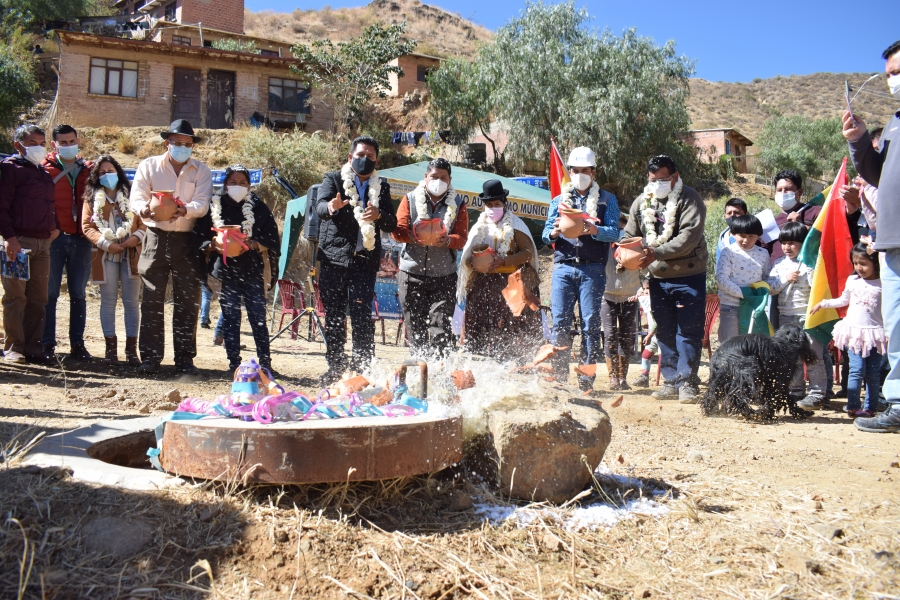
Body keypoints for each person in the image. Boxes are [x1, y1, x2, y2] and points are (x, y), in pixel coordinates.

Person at [842, 39, 900, 433]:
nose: (891, 80)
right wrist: (860, 139)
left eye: (897, 72)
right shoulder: (896, 122)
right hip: (893, 243)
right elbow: (879, 175)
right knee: (897, 326)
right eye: (889, 74)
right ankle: (897, 404)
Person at [130, 119, 213, 375]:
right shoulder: (149, 165)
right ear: (167, 143)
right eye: (178, 143)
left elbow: (203, 204)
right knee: (152, 300)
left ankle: (185, 359)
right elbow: (137, 196)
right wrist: (145, 209)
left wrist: (183, 210)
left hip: (187, 241)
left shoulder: (201, 170)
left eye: (187, 144)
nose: (183, 147)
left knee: (188, 302)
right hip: (155, 237)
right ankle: (151, 359)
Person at [622, 155, 708, 403]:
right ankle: (670, 381)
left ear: (675, 177)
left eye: (663, 179)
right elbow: (631, 235)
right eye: (652, 179)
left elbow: (689, 237)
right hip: (657, 278)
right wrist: (624, 255)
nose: (657, 183)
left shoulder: (690, 198)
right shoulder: (642, 202)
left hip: (688, 276)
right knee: (665, 331)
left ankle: (687, 382)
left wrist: (656, 252)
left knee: (688, 331)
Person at [315, 136, 398, 382]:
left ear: (377, 161)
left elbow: (392, 222)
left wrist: (380, 215)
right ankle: (336, 367)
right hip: (334, 258)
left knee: (362, 314)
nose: (365, 160)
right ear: (351, 157)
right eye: (360, 155)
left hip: (365, 261)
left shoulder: (381, 186)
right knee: (335, 315)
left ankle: (362, 369)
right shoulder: (333, 179)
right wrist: (332, 206)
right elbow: (320, 208)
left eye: (370, 156)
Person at [542, 147, 622, 391]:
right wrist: (554, 232)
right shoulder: (558, 200)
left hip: (592, 269)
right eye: (575, 171)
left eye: (585, 171)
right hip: (564, 267)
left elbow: (615, 232)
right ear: (571, 172)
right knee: (560, 323)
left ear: (593, 172)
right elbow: (546, 234)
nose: (580, 174)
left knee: (590, 324)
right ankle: (558, 376)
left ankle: (586, 379)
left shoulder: (607, 199)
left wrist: (593, 230)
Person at [392, 158, 468, 358]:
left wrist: (448, 240)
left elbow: (462, 238)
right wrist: (415, 236)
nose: (438, 181)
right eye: (434, 176)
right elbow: (397, 231)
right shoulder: (409, 199)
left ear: (450, 180)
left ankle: (439, 375)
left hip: (444, 277)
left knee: (441, 330)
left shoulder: (459, 205)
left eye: (443, 178)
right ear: (425, 177)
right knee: (415, 330)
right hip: (411, 275)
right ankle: (420, 374)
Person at [458, 180, 541, 360]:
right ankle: (478, 359)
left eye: (497, 204)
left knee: (509, 325)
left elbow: (528, 253)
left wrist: (504, 260)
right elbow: (467, 256)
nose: (493, 208)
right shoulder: (478, 227)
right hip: (483, 285)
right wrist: (474, 263)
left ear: (505, 204)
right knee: (480, 324)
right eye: (489, 205)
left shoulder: (517, 226)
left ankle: (511, 362)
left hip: (511, 285)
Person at [208, 165, 280, 372]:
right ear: (225, 184)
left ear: (249, 185)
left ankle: (265, 364)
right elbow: (203, 234)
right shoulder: (215, 204)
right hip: (225, 271)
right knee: (231, 318)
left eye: (242, 183)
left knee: (258, 317)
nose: (237, 187)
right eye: (233, 182)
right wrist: (216, 243)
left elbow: (272, 237)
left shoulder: (258, 207)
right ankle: (234, 364)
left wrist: (254, 244)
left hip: (252, 271)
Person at [0, 124, 59, 364]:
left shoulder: (42, 172)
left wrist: (53, 228)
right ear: (18, 145)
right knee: (16, 297)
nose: (38, 147)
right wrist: (10, 239)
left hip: (42, 245)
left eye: (41, 142)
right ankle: (14, 347)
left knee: (38, 298)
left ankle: (34, 348)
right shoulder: (9, 169)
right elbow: (1, 207)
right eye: (32, 142)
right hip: (18, 244)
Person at [81, 155, 146, 364]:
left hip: (131, 254)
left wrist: (135, 237)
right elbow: (87, 227)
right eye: (102, 172)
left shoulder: (133, 196)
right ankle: (110, 350)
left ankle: (131, 351)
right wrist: (107, 243)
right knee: (108, 301)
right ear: (96, 177)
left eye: (110, 170)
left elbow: (144, 224)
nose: (107, 175)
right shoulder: (91, 199)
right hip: (105, 255)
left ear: (118, 172)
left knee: (131, 302)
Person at [810, 244, 886, 418]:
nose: (859, 267)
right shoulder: (853, 281)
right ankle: (853, 406)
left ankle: (870, 407)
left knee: (873, 373)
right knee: (856, 370)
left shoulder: (884, 283)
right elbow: (844, 300)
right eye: (855, 263)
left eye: (863, 263)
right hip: (855, 335)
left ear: (876, 262)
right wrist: (823, 303)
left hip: (875, 335)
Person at [40, 124, 95, 362]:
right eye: (62, 142)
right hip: (54, 238)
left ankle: (78, 344)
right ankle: (47, 343)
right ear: (54, 145)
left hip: (81, 239)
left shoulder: (89, 169)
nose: (68, 145)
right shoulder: (44, 169)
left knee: (78, 294)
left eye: (71, 140)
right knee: (49, 293)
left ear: (78, 140)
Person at [766, 222, 825, 408]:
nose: (786, 247)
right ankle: (796, 391)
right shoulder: (779, 264)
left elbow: (818, 287)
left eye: (792, 243)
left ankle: (817, 393)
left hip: (807, 317)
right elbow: (772, 288)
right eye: (783, 243)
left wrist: (809, 271)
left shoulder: (810, 262)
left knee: (814, 355)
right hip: (786, 318)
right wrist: (786, 278)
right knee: (791, 358)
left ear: (803, 243)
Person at [715, 214, 771, 344]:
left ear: (758, 236)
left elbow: (766, 278)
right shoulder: (728, 252)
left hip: (753, 307)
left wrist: (761, 291)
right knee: (730, 344)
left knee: (751, 345)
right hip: (731, 306)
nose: (746, 240)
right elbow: (722, 279)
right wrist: (745, 294)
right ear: (734, 234)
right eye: (742, 236)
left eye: (751, 236)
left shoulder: (763, 254)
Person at [601, 213, 641, 390]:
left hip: (630, 296)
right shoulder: (602, 246)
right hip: (607, 295)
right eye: (615, 228)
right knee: (610, 335)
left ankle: (622, 378)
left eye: (622, 228)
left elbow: (644, 268)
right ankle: (612, 378)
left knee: (626, 337)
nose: (619, 232)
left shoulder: (636, 247)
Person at [631, 278, 658, 387]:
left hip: (661, 335)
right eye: (645, 289)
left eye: (649, 289)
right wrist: (638, 295)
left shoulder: (658, 302)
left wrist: (649, 335)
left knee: (665, 356)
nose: (646, 291)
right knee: (646, 354)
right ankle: (644, 377)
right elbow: (639, 295)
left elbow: (657, 322)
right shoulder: (647, 300)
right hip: (653, 335)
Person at [715, 198, 748, 264]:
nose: (732, 215)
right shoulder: (723, 238)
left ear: (746, 214)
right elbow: (719, 263)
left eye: (737, 212)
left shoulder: (753, 236)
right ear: (725, 216)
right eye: (729, 213)